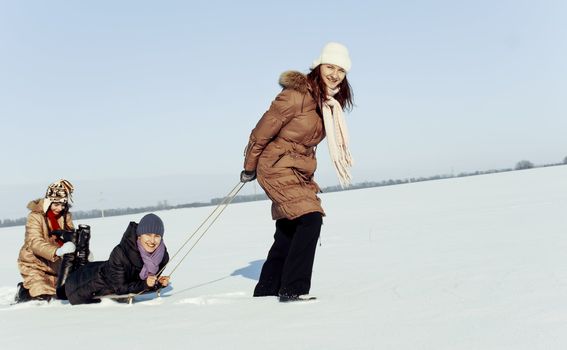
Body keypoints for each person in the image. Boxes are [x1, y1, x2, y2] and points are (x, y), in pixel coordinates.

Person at [241, 42, 354, 302]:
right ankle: (294, 288)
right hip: (276, 165)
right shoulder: (295, 95)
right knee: (310, 218)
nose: (334, 74)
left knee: (289, 228)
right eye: (330, 66)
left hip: (299, 169)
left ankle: (267, 288)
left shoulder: (327, 103)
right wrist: (249, 167)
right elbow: (261, 133)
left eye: (341, 70)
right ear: (318, 66)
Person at [59, 213, 171, 305]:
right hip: (82, 286)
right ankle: (70, 242)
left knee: (82, 263)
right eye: (148, 234)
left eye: (157, 236)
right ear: (139, 235)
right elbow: (120, 289)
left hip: (97, 269)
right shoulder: (120, 253)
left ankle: (79, 242)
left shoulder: (161, 257)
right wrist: (147, 284)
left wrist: (158, 283)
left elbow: (140, 284)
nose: (152, 241)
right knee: (61, 292)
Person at [15, 179, 76, 302]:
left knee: (64, 294)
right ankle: (23, 291)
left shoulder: (65, 216)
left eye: (63, 204)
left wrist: (80, 250)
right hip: (34, 264)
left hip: (56, 266)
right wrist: (57, 251)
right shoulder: (35, 217)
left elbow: (71, 239)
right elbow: (34, 242)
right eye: (56, 204)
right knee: (42, 296)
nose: (60, 208)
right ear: (48, 202)